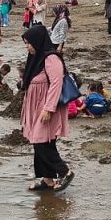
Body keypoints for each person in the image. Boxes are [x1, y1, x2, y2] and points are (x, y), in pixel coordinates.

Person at [20, 25, 74, 191]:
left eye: (29, 43)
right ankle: (48, 180)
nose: (27, 46)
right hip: (36, 107)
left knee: (40, 141)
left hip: (46, 107)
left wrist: (48, 109)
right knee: (44, 142)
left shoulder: (51, 58)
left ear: (38, 41)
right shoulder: (36, 59)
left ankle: (65, 171)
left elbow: (56, 84)